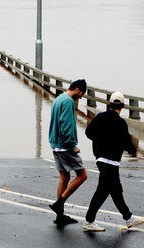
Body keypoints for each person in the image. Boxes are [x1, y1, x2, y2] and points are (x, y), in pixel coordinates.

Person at [82, 91, 144, 232]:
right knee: (103, 191)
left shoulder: (100, 117)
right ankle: (89, 221)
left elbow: (88, 132)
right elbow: (128, 144)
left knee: (116, 190)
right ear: (122, 106)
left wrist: (99, 141)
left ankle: (129, 219)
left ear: (110, 104)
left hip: (100, 159)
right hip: (112, 161)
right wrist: (133, 151)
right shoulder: (121, 123)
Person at [48, 79, 89, 226]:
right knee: (82, 175)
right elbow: (65, 124)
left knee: (64, 177)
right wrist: (72, 145)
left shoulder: (59, 98)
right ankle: (60, 203)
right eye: (82, 93)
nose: (81, 97)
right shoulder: (68, 102)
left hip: (55, 144)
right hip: (65, 146)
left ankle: (60, 216)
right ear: (77, 89)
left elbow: (55, 122)